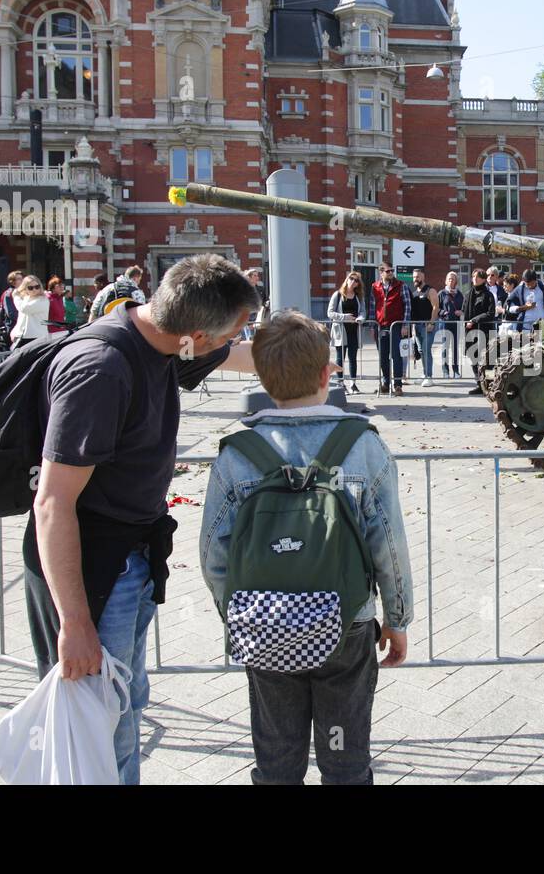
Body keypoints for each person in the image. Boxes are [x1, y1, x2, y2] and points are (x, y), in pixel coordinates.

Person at [25, 253, 260, 785]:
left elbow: (236, 356)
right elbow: (53, 502)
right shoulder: (101, 369)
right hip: (93, 573)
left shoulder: (159, 334)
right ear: (197, 333)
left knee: (124, 707)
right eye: (233, 330)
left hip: (131, 557)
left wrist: (307, 353)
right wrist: (75, 624)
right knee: (97, 726)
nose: (236, 339)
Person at [199, 311, 412, 785]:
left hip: (266, 625)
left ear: (261, 375)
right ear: (326, 374)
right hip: (346, 624)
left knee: (277, 756)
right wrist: (396, 619)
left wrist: (238, 614)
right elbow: (388, 545)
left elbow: (214, 554)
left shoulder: (237, 452)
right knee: (344, 756)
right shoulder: (363, 446)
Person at [371, 263, 410, 396]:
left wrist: (405, 324)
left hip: (396, 325)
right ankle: (386, 383)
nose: (391, 273)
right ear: (381, 272)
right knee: (383, 357)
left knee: (396, 355)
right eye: (388, 271)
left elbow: (407, 306)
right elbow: (372, 307)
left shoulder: (401, 285)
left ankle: (398, 385)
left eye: (392, 271)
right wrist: (372, 325)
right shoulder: (375, 287)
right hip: (380, 326)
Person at [327, 271, 364, 393]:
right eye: (351, 278)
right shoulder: (337, 295)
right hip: (340, 331)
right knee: (340, 358)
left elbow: (363, 311)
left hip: (354, 331)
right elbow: (330, 313)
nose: (353, 281)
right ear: (347, 279)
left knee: (353, 358)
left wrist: (360, 318)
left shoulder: (358, 296)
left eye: (356, 280)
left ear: (358, 284)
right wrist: (344, 317)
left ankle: (353, 384)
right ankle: (340, 383)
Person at [463, 268, 496, 393]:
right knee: (474, 358)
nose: (474, 279)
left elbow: (490, 313)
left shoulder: (488, 295)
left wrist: (475, 320)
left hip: (485, 331)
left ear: (483, 279)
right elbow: (463, 311)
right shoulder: (468, 294)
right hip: (471, 333)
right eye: (473, 277)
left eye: (477, 277)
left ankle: (489, 384)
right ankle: (479, 384)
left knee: (487, 360)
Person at [409, 269, 438, 386]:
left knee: (426, 350)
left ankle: (429, 377)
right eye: (414, 277)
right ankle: (425, 374)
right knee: (421, 351)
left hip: (428, 326)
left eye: (418, 277)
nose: (415, 279)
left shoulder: (430, 290)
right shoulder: (414, 293)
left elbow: (436, 307)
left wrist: (432, 323)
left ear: (423, 277)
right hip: (417, 326)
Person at [10, 276, 51, 347]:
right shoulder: (26, 299)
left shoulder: (43, 300)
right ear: (25, 289)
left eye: (37, 287)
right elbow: (22, 319)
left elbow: (24, 309)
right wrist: (15, 331)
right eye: (30, 288)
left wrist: (16, 297)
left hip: (38, 337)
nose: (34, 289)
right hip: (24, 337)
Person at [437, 271, 464, 378]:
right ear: (446, 281)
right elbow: (436, 308)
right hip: (444, 323)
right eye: (449, 278)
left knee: (455, 348)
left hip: (456, 324)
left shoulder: (459, 294)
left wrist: (461, 312)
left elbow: (463, 307)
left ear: (456, 281)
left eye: (453, 279)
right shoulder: (442, 293)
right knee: (445, 347)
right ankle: (445, 370)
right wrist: (443, 312)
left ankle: (456, 370)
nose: (451, 280)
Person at [507, 270, 544, 337]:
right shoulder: (519, 289)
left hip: (541, 325)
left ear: (536, 280)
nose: (530, 286)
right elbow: (510, 308)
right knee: (526, 346)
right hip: (525, 326)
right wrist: (524, 307)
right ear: (523, 281)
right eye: (527, 284)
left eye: (532, 284)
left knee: (540, 346)